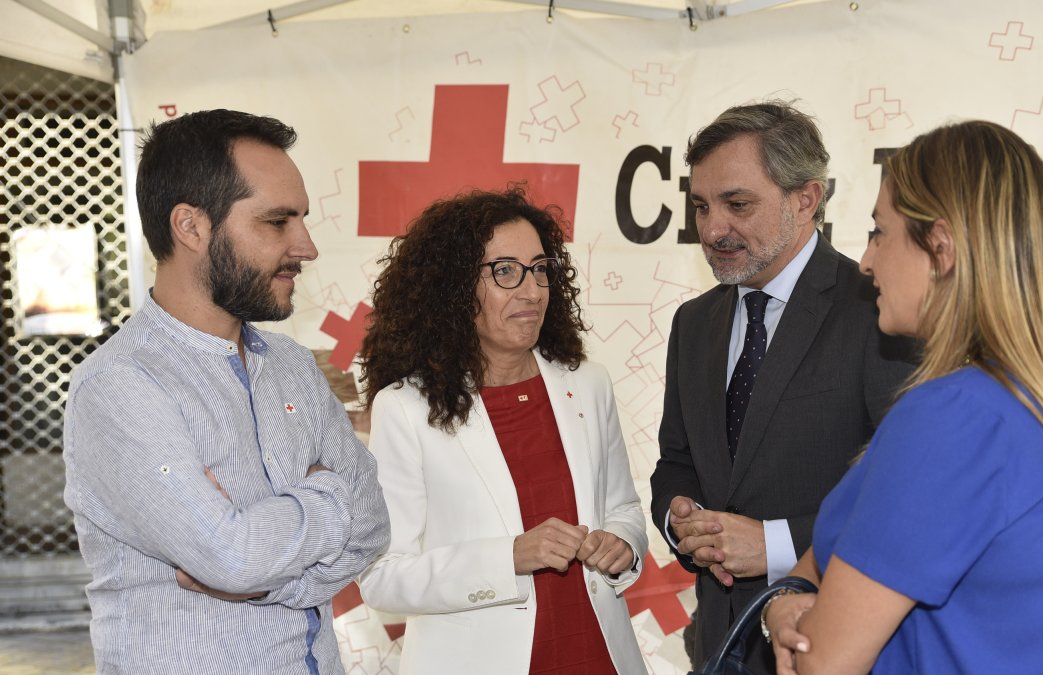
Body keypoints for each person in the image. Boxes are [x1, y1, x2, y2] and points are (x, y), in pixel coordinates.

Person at [764, 120, 1043, 674]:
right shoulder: (1041, 406)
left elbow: (824, 662)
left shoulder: (957, 417)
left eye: (880, 233)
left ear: (941, 247)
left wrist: (788, 613)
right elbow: (837, 555)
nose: (866, 262)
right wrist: (791, 596)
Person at [62, 109, 390, 674]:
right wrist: (330, 491)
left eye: (302, 220)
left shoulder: (290, 364)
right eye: (277, 222)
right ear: (191, 227)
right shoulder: (120, 385)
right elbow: (232, 559)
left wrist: (265, 579)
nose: (306, 246)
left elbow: (374, 528)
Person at [648, 101, 915, 671]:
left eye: (737, 204)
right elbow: (676, 462)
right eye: (701, 206)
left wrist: (775, 545)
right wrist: (682, 519)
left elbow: (907, 499)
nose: (712, 228)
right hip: (716, 645)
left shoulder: (880, 311)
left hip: (828, 643)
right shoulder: (692, 324)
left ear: (806, 199)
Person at [356, 187, 649, 675]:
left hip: (598, 654)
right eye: (505, 271)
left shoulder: (588, 383)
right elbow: (382, 578)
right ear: (452, 288)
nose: (531, 291)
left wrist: (622, 544)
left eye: (539, 269)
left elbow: (623, 508)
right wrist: (508, 558)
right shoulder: (405, 408)